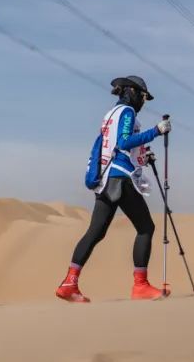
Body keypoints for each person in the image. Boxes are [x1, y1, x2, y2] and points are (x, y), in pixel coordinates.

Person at [56, 76, 173, 302]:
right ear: (132, 92)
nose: (143, 101)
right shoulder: (127, 112)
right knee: (145, 228)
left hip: (105, 179)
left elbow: (115, 145)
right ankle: (140, 286)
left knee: (96, 232)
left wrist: (143, 156)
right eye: (142, 96)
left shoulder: (110, 114)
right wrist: (156, 131)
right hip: (120, 177)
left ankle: (69, 283)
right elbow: (124, 141)